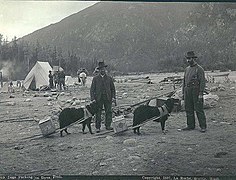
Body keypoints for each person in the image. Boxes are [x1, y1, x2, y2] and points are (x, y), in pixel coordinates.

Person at [182, 51, 207, 133]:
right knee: (188, 109)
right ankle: (190, 125)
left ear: (194, 58)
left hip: (196, 91)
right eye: (187, 59)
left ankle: (203, 126)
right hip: (187, 91)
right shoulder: (186, 69)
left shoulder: (199, 69)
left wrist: (200, 93)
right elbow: (184, 82)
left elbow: (202, 82)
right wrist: (183, 94)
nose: (188, 60)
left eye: (189, 58)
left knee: (199, 109)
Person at [90, 61, 116, 133]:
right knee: (98, 113)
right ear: (99, 70)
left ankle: (108, 125)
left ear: (105, 69)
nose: (102, 70)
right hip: (98, 99)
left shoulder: (109, 78)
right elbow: (92, 90)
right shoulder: (95, 79)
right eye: (101, 69)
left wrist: (113, 97)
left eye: (103, 68)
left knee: (109, 112)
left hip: (108, 98)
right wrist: (93, 99)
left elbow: (113, 89)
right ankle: (98, 127)